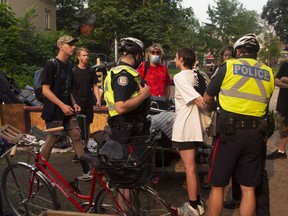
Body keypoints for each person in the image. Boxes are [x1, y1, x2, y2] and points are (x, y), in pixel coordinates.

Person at [203, 33, 274, 216]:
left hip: (229, 134)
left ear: (238, 51)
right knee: (248, 189)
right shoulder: (268, 72)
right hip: (256, 136)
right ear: (255, 53)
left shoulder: (228, 66)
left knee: (217, 186)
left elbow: (207, 98)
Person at [40, 35, 92, 181]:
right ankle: (40, 173)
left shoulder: (69, 66)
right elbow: (45, 90)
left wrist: (73, 102)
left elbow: (68, 89)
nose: (73, 47)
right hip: (55, 110)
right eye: (70, 45)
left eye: (73, 44)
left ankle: (86, 171)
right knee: (52, 139)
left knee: (76, 135)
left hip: (67, 109)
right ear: (61, 46)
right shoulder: (51, 64)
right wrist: (62, 105)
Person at [104, 36, 150, 161]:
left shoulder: (120, 71)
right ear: (137, 55)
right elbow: (121, 107)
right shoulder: (124, 76)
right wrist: (143, 95)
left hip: (126, 128)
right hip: (126, 131)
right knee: (131, 168)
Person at [172, 48, 206, 216]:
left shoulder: (179, 77)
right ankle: (197, 202)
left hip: (185, 128)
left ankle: (193, 207)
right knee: (192, 168)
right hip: (195, 128)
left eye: (176, 57)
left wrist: (207, 106)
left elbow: (198, 99)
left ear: (182, 59)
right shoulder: (196, 75)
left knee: (190, 169)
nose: (174, 59)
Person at [71, 47, 101, 163]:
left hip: (88, 102)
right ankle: (77, 151)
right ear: (78, 57)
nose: (86, 57)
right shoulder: (73, 71)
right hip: (77, 102)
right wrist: (73, 103)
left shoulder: (91, 71)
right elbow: (70, 89)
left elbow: (95, 86)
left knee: (87, 125)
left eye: (87, 55)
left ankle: (85, 147)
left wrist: (98, 99)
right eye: (83, 55)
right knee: (77, 127)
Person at [266, 60, 288, 160]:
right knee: (283, 127)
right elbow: (276, 80)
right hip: (284, 103)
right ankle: (281, 151)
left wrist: (285, 79)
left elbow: (282, 79)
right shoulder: (286, 64)